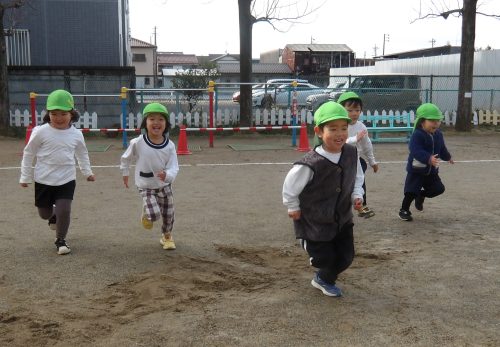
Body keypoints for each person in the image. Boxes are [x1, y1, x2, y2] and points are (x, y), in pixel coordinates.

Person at [282, 101, 364, 297]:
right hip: (315, 221)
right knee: (324, 258)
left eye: (344, 128)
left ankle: (323, 279)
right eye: (333, 129)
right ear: (319, 131)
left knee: (346, 257)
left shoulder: (351, 153)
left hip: (342, 218)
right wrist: (292, 206)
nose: (340, 134)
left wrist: (357, 194)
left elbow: (357, 176)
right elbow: (290, 186)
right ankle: (308, 244)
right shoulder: (310, 163)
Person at [19, 89, 95, 255]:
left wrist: (87, 172)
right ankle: (53, 216)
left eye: (63, 113)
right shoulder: (40, 131)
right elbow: (29, 153)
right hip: (43, 179)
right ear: (48, 114)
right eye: (54, 113)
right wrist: (25, 176)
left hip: (66, 179)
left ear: (72, 114)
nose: (59, 118)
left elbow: (82, 153)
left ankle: (61, 239)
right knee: (44, 214)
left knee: (64, 210)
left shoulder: (76, 134)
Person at [120, 102, 179, 250]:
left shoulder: (170, 145)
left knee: (168, 214)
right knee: (154, 215)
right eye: (152, 119)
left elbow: (174, 166)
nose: (156, 122)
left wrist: (168, 176)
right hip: (145, 185)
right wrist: (125, 173)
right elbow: (126, 158)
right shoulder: (138, 142)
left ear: (166, 124)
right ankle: (147, 213)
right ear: (145, 123)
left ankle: (167, 236)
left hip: (164, 186)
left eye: (161, 119)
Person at [399, 103, 454, 221]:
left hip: (432, 171)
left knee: (438, 189)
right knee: (411, 191)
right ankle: (404, 210)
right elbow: (415, 150)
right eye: (432, 120)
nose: (436, 123)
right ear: (422, 121)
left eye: (438, 120)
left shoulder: (438, 134)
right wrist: (428, 158)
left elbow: (442, 148)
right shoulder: (417, 134)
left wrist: (448, 157)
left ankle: (421, 195)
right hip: (417, 170)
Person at [337, 91, 379, 218]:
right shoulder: (338, 125)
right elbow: (340, 143)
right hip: (337, 159)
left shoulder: (362, 127)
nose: (354, 113)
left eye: (357, 110)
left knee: (360, 179)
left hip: (355, 159)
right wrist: (354, 139)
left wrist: (372, 162)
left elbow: (367, 146)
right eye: (350, 110)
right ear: (341, 110)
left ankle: (361, 204)